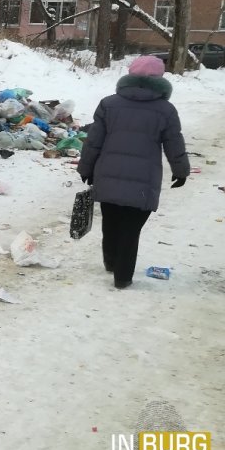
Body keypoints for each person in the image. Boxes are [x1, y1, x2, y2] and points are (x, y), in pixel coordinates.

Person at [77, 55, 189, 288]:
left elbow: (94, 141)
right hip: (143, 181)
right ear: (160, 79)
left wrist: (86, 167)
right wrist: (181, 170)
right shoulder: (166, 110)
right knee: (131, 228)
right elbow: (174, 142)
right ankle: (123, 276)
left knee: (111, 221)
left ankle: (111, 262)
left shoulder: (109, 104)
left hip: (108, 175)